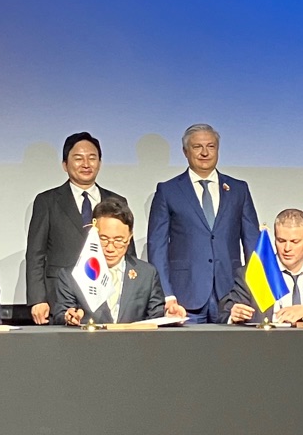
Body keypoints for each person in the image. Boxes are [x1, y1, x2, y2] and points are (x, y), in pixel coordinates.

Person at [147, 123, 259, 322]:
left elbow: (252, 242)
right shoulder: (168, 190)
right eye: (197, 147)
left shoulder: (238, 189)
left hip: (231, 293)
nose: (205, 152)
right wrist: (167, 294)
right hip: (185, 296)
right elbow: (157, 246)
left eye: (211, 146)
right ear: (185, 151)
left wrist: (256, 289)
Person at [24, 132, 127, 324]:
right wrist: (38, 299)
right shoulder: (47, 201)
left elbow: (127, 251)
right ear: (65, 164)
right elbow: (35, 254)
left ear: (100, 163)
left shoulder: (117, 201)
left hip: (107, 295)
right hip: (61, 297)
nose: (86, 164)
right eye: (78, 158)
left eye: (92, 158)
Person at [49, 200, 179, 325]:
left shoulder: (147, 274)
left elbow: (156, 318)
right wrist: (69, 317)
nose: (110, 248)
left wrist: (170, 316)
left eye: (118, 240)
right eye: (103, 239)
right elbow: (61, 315)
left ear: (129, 238)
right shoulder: (72, 275)